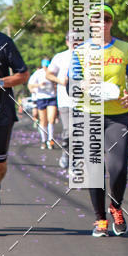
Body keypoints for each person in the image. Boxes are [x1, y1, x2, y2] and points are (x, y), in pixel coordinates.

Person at [70, 4, 128, 237]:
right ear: (91, 23)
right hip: (89, 115)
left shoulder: (124, 49)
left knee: (118, 168)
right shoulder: (80, 51)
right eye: (97, 19)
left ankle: (116, 208)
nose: (102, 24)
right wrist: (83, 85)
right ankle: (100, 219)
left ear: (112, 23)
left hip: (117, 116)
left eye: (107, 19)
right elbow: (73, 83)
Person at [0, 31, 29, 209]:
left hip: (2, 112)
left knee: (0, 164)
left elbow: (23, 74)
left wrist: (0, 83)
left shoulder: (4, 42)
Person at [46, 32, 74, 169]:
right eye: (72, 39)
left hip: (86, 102)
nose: (75, 42)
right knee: (69, 131)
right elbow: (49, 74)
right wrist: (60, 81)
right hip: (66, 101)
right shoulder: (60, 57)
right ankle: (66, 153)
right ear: (67, 41)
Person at [28, 58, 58, 149]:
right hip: (41, 98)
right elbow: (30, 85)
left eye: (48, 66)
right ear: (42, 66)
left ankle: (50, 140)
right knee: (43, 121)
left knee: (51, 119)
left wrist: (55, 84)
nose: (46, 68)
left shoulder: (53, 72)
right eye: (45, 66)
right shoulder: (38, 73)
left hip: (52, 98)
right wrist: (39, 85)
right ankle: (43, 140)